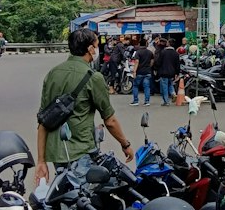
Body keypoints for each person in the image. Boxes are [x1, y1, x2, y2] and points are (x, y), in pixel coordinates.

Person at [35, 28, 133, 184]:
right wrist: (125, 144)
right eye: (96, 44)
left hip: (56, 152)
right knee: (82, 200)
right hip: (80, 150)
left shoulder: (53, 73)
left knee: (66, 195)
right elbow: (110, 120)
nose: (97, 49)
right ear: (90, 49)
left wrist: (41, 161)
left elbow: (43, 120)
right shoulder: (94, 77)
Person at [154, 37, 180, 106]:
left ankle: (166, 101)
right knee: (170, 84)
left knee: (164, 87)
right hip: (172, 72)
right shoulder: (176, 53)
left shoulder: (163, 52)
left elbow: (159, 62)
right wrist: (177, 73)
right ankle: (173, 93)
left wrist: (156, 68)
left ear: (168, 44)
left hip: (164, 72)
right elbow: (177, 64)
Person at [130, 36, 154, 106]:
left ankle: (136, 101)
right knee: (146, 86)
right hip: (148, 71)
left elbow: (136, 62)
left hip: (139, 72)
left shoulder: (138, 52)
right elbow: (152, 60)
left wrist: (134, 71)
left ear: (139, 44)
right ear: (146, 44)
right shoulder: (150, 52)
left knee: (135, 86)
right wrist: (149, 66)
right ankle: (147, 101)